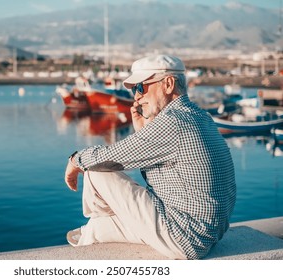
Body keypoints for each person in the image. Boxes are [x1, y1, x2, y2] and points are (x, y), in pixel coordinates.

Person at [64, 54, 236, 260]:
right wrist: (143, 132)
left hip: (183, 237)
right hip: (205, 235)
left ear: (169, 84)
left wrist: (75, 160)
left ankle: (106, 219)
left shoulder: (174, 122)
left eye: (141, 87)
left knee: (95, 170)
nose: (136, 96)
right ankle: (97, 229)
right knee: (96, 230)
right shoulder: (200, 116)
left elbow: (110, 157)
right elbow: (162, 165)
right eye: (134, 90)